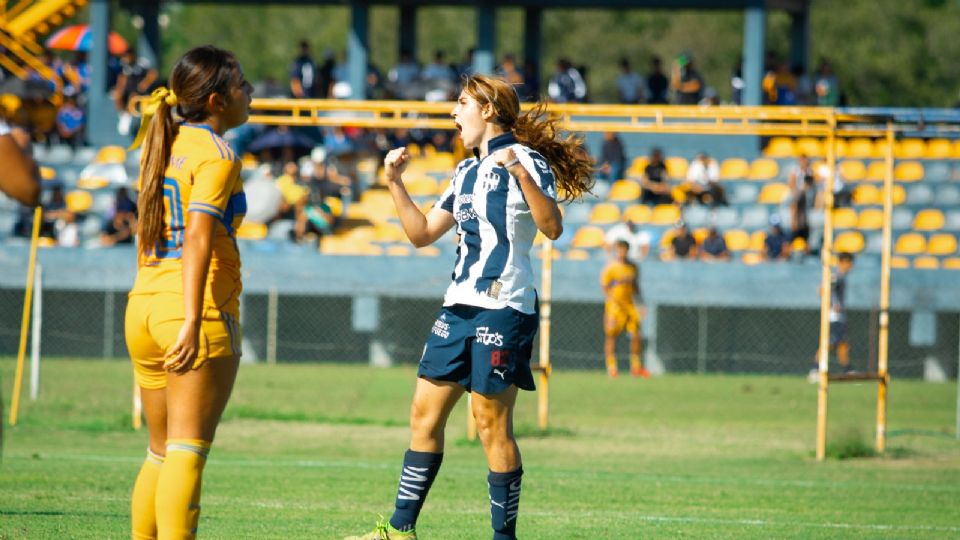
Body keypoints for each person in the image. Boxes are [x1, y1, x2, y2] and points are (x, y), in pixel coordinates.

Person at [346, 74, 592, 540]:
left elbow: (553, 227)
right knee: (423, 415)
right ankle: (400, 531)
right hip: (457, 307)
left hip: (504, 308)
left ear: (488, 110)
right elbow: (420, 234)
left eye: (461, 103)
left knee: (489, 425)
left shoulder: (527, 161)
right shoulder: (463, 173)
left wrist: (520, 174)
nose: (453, 113)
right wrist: (394, 183)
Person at [123, 46, 253, 540]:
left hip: (144, 304)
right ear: (217, 100)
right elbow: (198, 236)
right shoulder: (217, 153)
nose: (250, 92)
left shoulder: (160, 140)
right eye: (241, 84)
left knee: (159, 451)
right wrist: (195, 319)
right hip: (190, 309)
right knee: (186, 450)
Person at [601, 240, 649, 378]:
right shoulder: (611, 268)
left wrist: (641, 304)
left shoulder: (633, 267)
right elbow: (605, 288)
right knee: (611, 336)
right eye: (619, 249)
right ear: (616, 251)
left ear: (628, 250)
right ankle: (612, 368)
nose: (622, 252)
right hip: (615, 307)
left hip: (629, 305)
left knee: (636, 335)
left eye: (624, 249)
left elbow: (636, 287)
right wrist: (610, 309)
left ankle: (636, 367)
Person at [809, 252, 855, 381]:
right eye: (849, 263)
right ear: (843, 262)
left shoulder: (841, 276)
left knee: (843, 344)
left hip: (839, 316)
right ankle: (815, 369)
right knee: (828, 344)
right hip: (833, 317)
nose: (851, 266)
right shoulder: (836, 276)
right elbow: (822, 290)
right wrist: (831, 305)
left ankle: (848, 370)